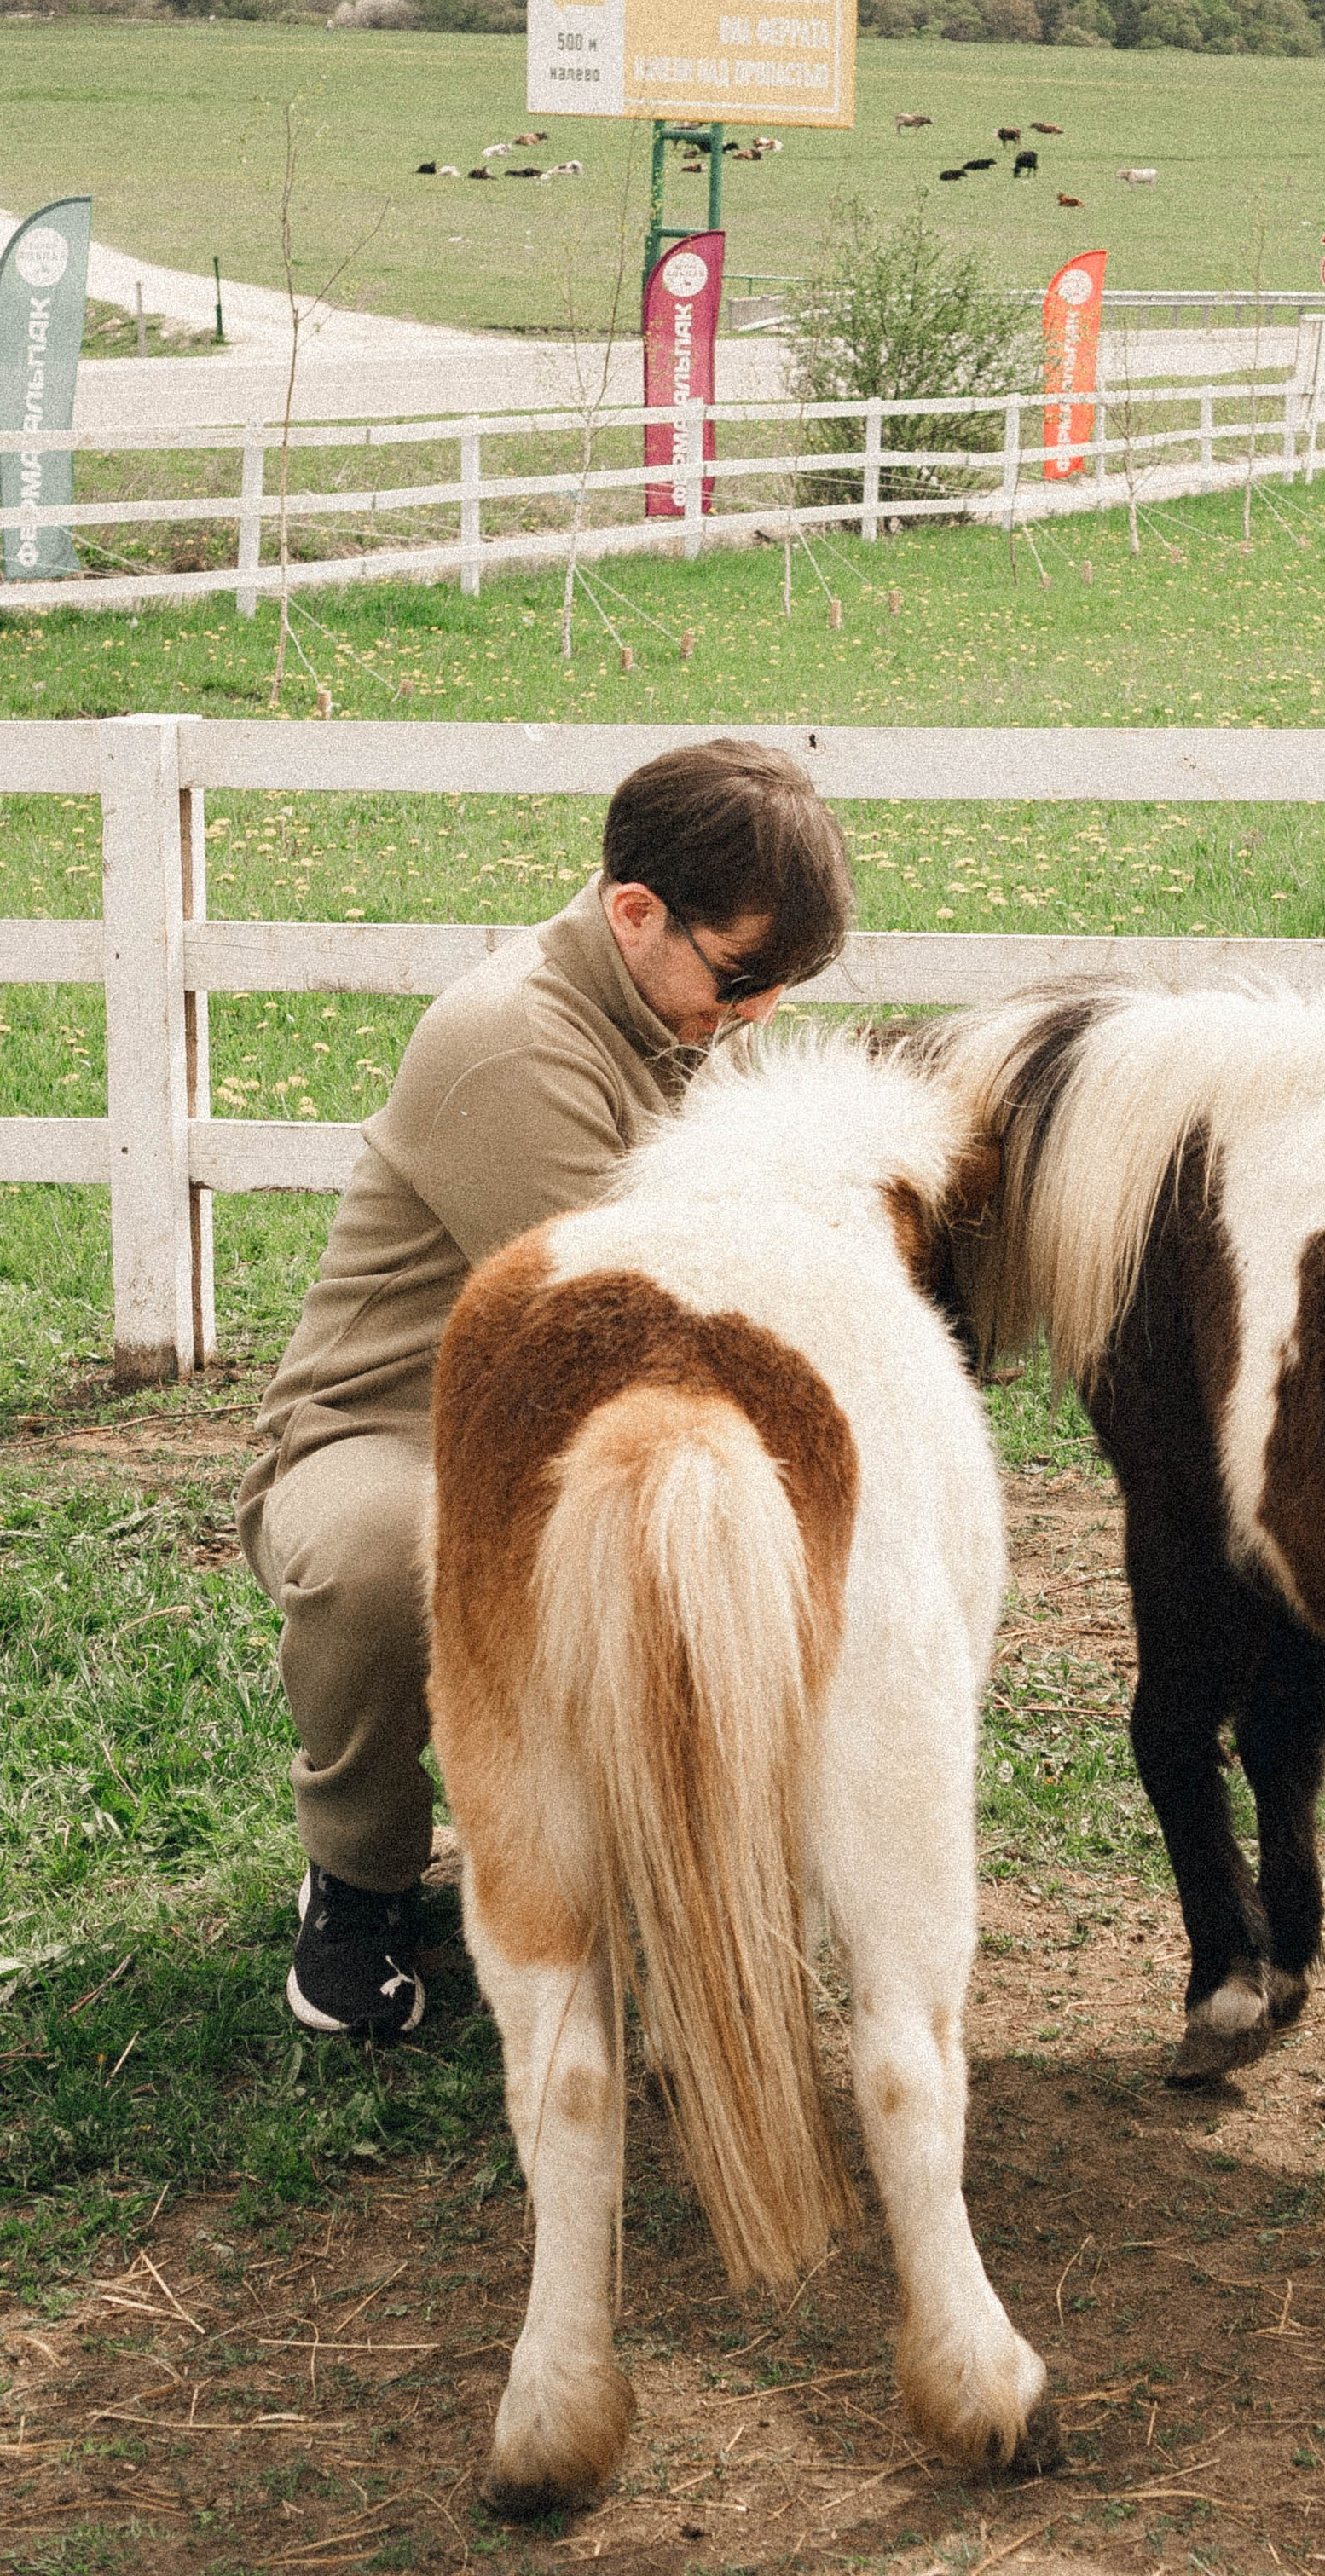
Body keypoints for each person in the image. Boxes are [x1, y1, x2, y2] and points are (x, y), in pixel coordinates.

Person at [239, 736, 855, 2040]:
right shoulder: (512, 1040)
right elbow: (629, 1325)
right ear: (636, 914)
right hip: (401, 1429)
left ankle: (687, 1866)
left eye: (785, 985)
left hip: (583, 1408)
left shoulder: (680, 1022)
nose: (760, 1015)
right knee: (371, 1560)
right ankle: (359, 1878)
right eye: (744, 976)